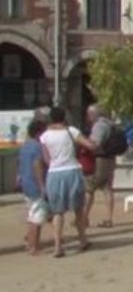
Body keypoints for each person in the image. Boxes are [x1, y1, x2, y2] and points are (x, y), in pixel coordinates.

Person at [38, 107, 96, 257]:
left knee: (57, 212)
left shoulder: (44, 136)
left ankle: (58, 246)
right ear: (64, 117)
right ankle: (82, 240)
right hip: (72, 170)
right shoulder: (71, 131)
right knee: (78, 208)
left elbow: (46, 159)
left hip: (54, 173)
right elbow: (90, 145)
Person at [84, 105, 117, 228]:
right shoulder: (111, 124)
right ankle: (109, 218)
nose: (87, 117)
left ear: (94, 114)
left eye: (89, 114)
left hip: (100, 159)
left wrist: (84, 142)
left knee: (89, 188)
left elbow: (95, 143)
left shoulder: (99, 126)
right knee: (107, 188)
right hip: (110, 158)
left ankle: (84, 217)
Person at [18, 119, 48, 255]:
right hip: (35, 185)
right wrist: (42, 185)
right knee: (36, 217)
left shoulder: (25, 146)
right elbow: (37, 166)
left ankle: (33, 243)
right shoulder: (37, 147)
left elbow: (19, 165)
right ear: (38, 133)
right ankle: (33, 247)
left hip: (26, 184)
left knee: (32, 215)